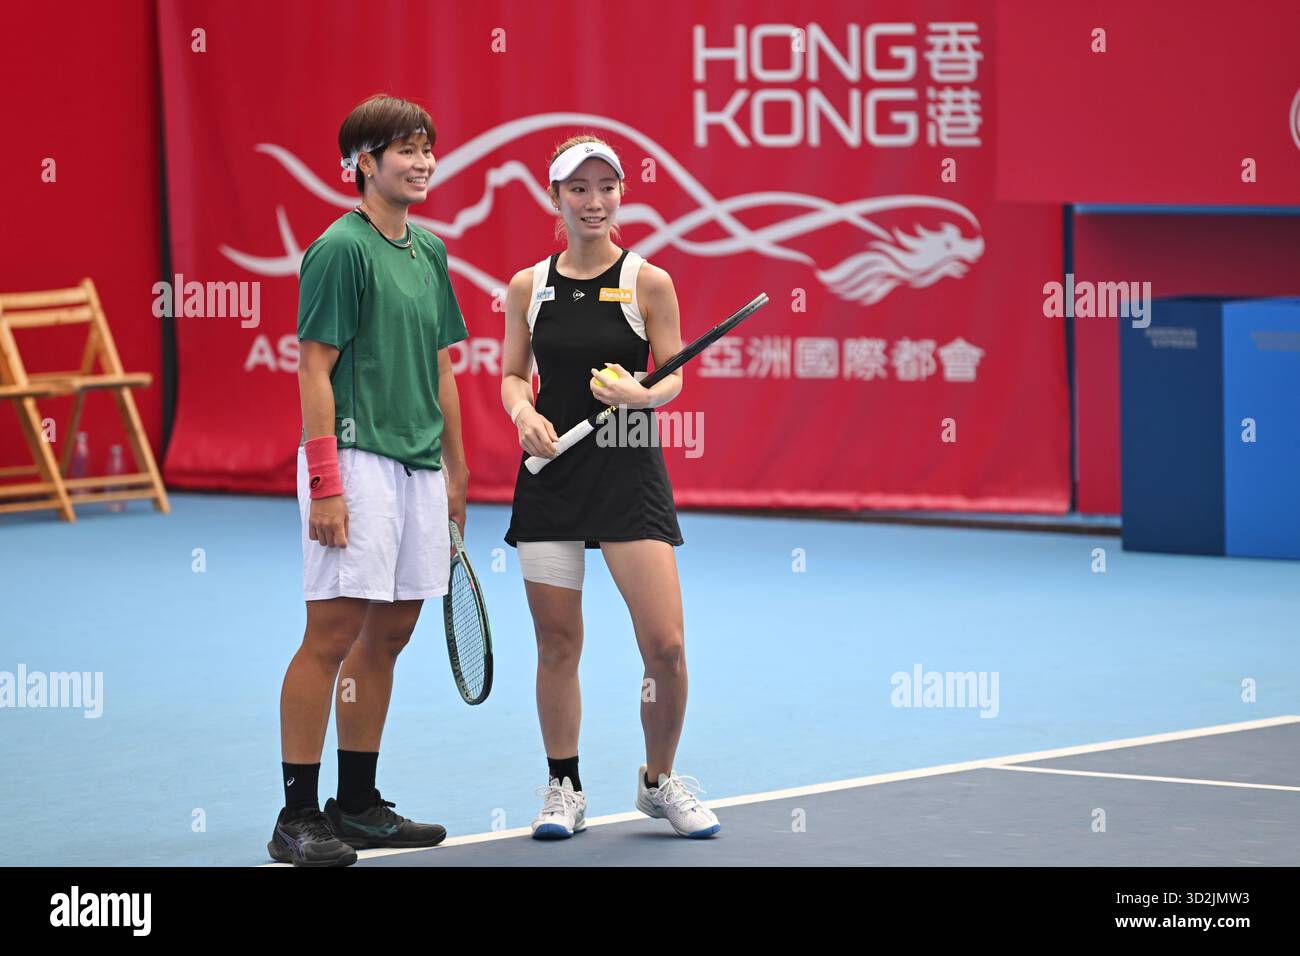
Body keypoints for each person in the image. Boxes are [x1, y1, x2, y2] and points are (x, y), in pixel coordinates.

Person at [499, 134, 721, 840]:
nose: (594, 202)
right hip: (551, 478)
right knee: (558, 644)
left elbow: (674, 370)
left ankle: (659, 781)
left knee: (667, 646)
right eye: (578, 189)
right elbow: (510, 373)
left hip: (629, 474)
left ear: (622, 193)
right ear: (555, 197)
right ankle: (563, 787)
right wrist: (522, 410)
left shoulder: (648, 281)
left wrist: (641, 394)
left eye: (606, 188)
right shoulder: (528, 286)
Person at [269, 94, 469, 867]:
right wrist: (325, 481)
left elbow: (444, 367)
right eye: (404, 149)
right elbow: (313, 367)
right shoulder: (338, 249)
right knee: (332, 634)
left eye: (427, 148)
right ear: (364, 164)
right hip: (354, 461)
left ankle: (355, 805)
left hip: (419, 466)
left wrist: (456, 472)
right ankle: (295, 816)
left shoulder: (430, 252)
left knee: (391, 632)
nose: (421, 162)